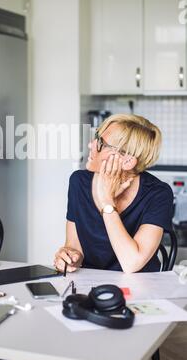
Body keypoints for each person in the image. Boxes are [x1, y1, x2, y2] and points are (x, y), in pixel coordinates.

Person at [54, 114, 174, 274]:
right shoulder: (79, 182)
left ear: (127, 161)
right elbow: (74, 247)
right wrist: (69, 256)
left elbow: (132, 263)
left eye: (101, 143)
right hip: (91, 283)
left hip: (141, 288)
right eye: (96, 137)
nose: (91, 145)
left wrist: (106, 202)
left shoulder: (158, 193)